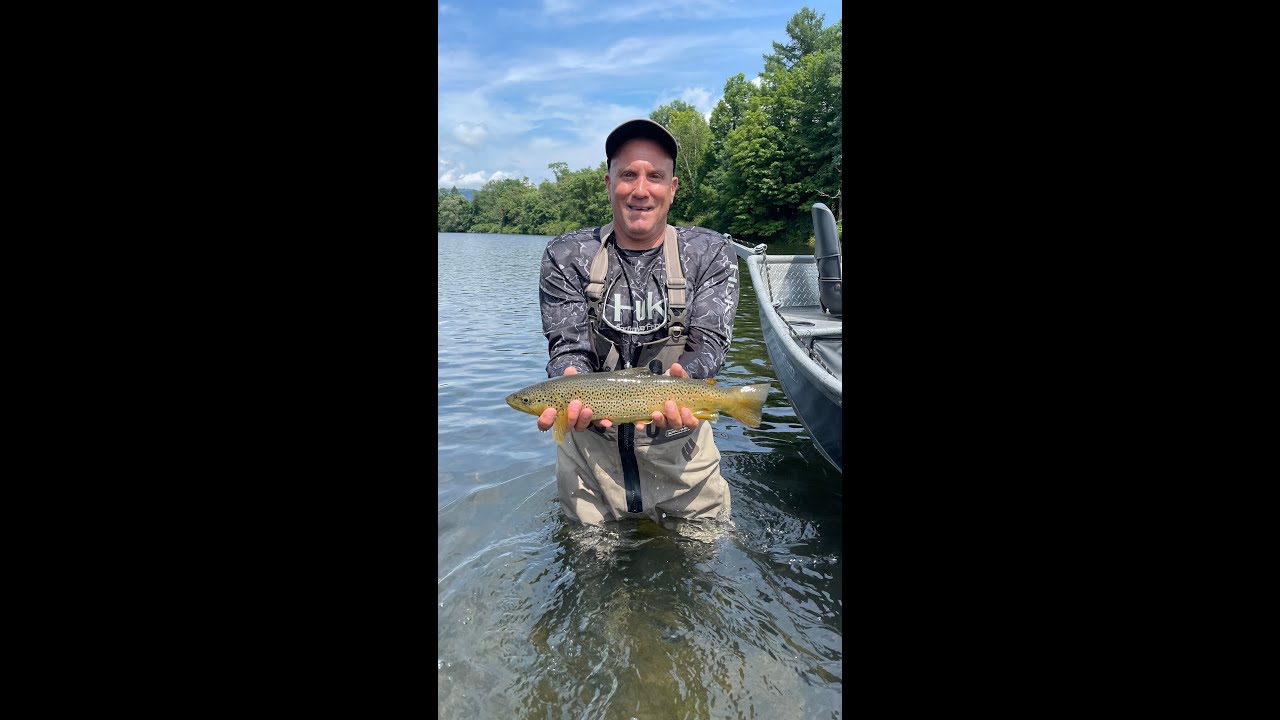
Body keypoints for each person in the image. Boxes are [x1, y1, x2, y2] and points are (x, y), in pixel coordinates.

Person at [535, 118, 741, 526]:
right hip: (590, 466)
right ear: (609, 183)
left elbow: (710, 345)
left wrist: (686, 382)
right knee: (590, 564)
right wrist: (569, 379)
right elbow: (568, 348)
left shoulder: (711, 252)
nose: (641, 190)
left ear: (673, 187)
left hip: (684, 460)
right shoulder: (567, 254)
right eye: (628, 174)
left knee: (701, 559)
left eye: (655, 176)